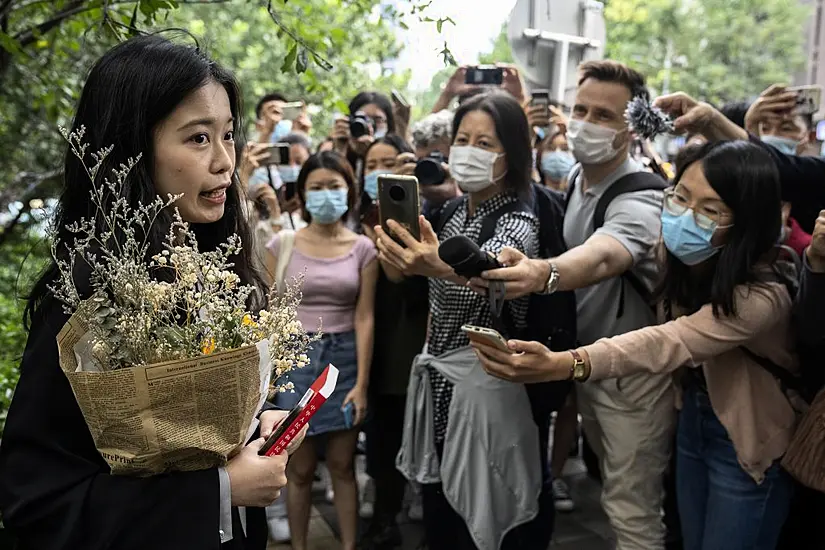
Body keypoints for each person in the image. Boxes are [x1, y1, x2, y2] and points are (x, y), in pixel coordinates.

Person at [0, 34, 301, 550]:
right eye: (198, 138)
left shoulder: (223, 270)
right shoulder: (88, 302)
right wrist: (219, 491)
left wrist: (259, 421)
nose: (226, 161)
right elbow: (35, 501)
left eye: (229, 135)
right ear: (132, 151)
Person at [474, 140, 800, 550]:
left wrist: (566, 363)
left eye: (711, 210)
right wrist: (541, 273)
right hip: (695, 423)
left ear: (747, 222)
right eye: (681, 197)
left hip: (749, 440)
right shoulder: (685, 258)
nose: (686, 215)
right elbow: (604, 254)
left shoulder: (763, 296)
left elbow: (669, 341)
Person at [476, 60, 674, 550]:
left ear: (633, 127)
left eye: (603, 115)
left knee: (632, 509)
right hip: (590, 365)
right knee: (613, 491)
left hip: (633, 379)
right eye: (580, 109)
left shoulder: (641, 196)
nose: (585, 122)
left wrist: (543, 273)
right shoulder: (581, 184)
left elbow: (605, 254)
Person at [375, 91, 552, 550]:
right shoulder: (451, 211)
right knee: (443, 504)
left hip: (488, 384)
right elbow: (407, 273)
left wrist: (434, 264)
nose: (469, 150)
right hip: (441, 379)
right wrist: (397, 251)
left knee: (490, 500)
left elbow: (500, 272)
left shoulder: (517, 219)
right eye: (462, 138)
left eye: (485, 143)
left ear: (512, 155)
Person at [267, 151, 378, 550]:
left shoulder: (364, 248)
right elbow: (268, 312)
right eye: (316, 187)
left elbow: (365, 317)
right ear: (302, 193)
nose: (326, 194)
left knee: (343, 466)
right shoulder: (282, 243)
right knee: (298, 468)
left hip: (344, 361)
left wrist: (362, 383)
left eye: (334, 186)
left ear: (349, 190)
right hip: (295, 363)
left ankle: (348, 546)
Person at [358, 135, 430, 549]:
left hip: (410, 346)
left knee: (409, 430)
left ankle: (408, 501)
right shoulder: (356, 219)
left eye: (392, 162)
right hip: (371, 345)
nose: (383, 170)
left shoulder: (424, 220)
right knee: (381, 439)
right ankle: (385, 516)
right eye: (374, 163)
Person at [745, 85, 814, 256]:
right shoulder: (744, 177)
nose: (773, 136)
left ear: (808, 137)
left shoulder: (816, 188)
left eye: (786, 128)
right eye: (765, 128)